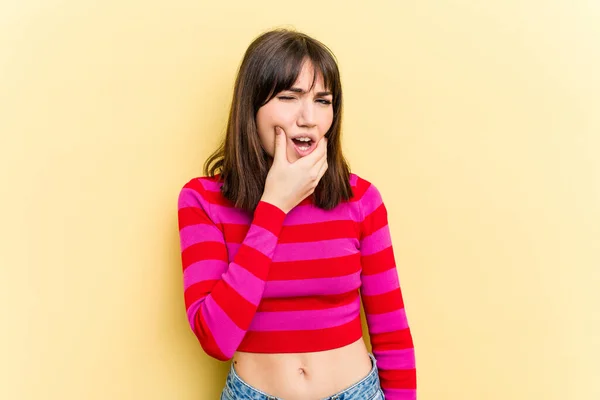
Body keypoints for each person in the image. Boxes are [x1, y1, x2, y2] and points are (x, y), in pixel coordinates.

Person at [177, 28, 416, 400]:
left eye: (323, 101)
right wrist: (274, 207)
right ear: (250, 108)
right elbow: (216, 338)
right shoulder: (202, 201)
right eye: (289, 97)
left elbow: (392, 333)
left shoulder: (361, 199)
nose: (308, 118)